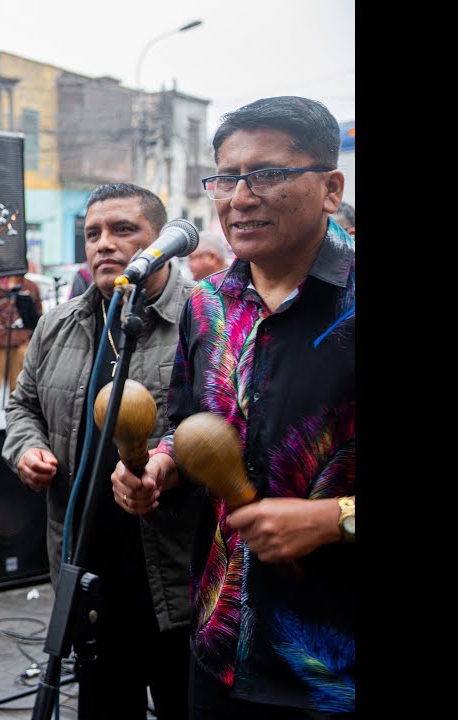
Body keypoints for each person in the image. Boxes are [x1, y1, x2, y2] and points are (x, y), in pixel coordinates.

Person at [112, 96, 355, 718]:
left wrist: (336, 517)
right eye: (225, 177)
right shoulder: (207, 306)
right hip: (221, 644)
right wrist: (161, 464)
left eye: (268, 174)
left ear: (331, 189)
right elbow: (188, 420)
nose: (239, 197)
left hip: (337, 665)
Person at [2, 182, 199, 720]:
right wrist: (28, 449)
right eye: (92, 233)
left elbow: (218, 423)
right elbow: (23, 408)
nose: (104, 244)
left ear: (163, 242)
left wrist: (166, 465)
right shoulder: (57, 324)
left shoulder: (204, 319)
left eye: (123, 230)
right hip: (86, 564)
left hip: (176, 570)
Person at [0, 269, 42, 410]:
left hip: (20, 342)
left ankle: (15, 421)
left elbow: (38, 317)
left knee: (18, 387)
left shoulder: (31, 287)